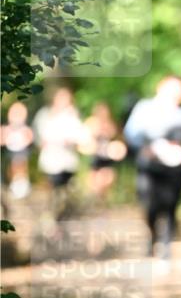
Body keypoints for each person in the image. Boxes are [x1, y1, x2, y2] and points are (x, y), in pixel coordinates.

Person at [123, 76, 181, 265]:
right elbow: (130, 133)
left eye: (179, 91)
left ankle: (166, 248)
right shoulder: (144, 108)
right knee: (150, 205)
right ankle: (152, 237)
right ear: (160, 88)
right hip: (149, 166)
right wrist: (143, 148)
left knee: (171, 207)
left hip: (175, 167)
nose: (176, 94)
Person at [32, 86, 84, 217]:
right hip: (52, 160)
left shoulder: (73, 115)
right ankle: (53, 214)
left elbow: (79, 135)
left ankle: (62, 213)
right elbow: (39, 136)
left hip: (68, 160)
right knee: (55, 187)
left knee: (65, 188)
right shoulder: (45, 114)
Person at [80, 102, 127, 202]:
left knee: (109, 178)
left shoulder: (111, 124)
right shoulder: (91, 123)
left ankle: (102, 196)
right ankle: (96, 196)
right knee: (95, 180)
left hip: (108, 156)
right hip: (95, 156)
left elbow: (118, 139)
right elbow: (84, 140)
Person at [1, 101, 34, 200]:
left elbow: (30, 138)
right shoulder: (7, 129)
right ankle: (13, 186)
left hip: (22, 152)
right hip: (10, 152)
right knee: (12, 169)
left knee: (21, 168)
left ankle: (22, 187)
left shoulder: (25, 129)